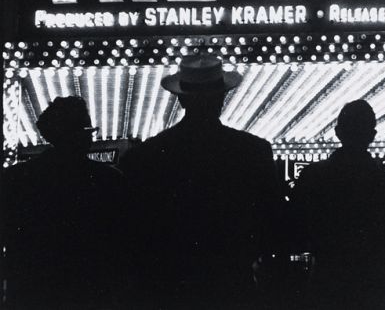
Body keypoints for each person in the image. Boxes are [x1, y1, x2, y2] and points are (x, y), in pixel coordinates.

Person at [120, 54, 284, 309]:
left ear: (181, 98)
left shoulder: (144, 156)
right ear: (222, 97)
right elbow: (274, 222)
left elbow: (131, 232)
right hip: (232, 285)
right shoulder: (253, 151)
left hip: (167, 287)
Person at [1, 96, 127, 308]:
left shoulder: (15, 177)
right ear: (78, 136)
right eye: (87, 131)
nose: (90, 138)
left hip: (31, 289)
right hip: (90, 290)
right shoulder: (109, 180)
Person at [291, 100, 385, 310]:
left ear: (338, 132)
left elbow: (293, 232)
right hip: (374, 290)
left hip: (327, 284)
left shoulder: (314, 176)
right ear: (372, 136)